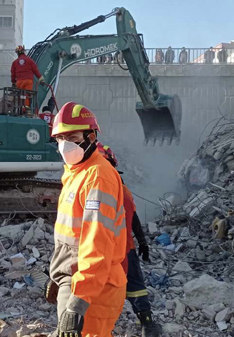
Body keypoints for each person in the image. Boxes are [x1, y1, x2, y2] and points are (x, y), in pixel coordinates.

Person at [45, 102, 127, 337]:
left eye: (72, 137)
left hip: (94, 289)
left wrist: (78, 301)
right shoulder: (76, 172)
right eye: (60, 138)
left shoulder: (98, 177)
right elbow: (71, 235)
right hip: (76, 280)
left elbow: (97, 244)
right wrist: (58, 272)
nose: (65, 144)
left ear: (91, 137)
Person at [95, 143, 161, 336]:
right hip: (123, 249)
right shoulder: (121, 189)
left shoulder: (87, 186)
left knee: (98, 288)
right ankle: (147, 325)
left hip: (98, 250)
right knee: (135, 285)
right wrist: (142, 241)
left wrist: (142, 242)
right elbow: (134, 217)